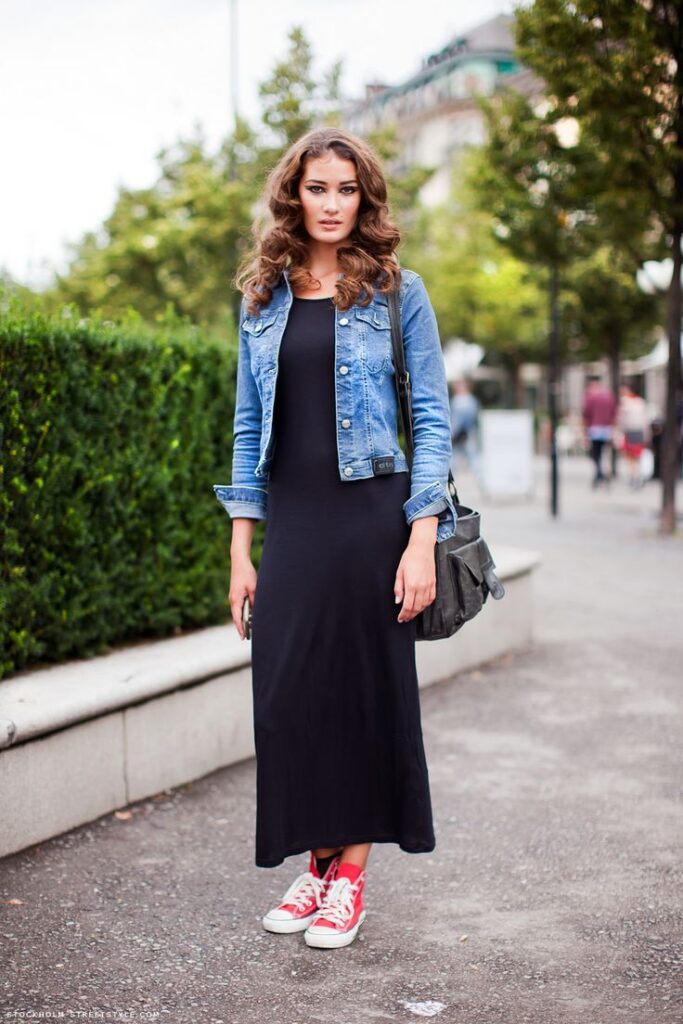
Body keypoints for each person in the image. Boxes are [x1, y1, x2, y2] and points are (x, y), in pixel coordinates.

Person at [212, 127, 457, 950]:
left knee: (361, 698)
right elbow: (247, 428)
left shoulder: (397, 292)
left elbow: (431, 421)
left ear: (364, 198)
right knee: (290, 700)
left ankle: (345, 878)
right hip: (295, 521)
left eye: (345, 189)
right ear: (294, 194)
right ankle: (316, 866)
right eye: (317, 188)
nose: (330, 204)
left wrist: (419, 538)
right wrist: (241, 550)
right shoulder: (261, 298)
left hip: (370, 518)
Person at [581, 375, 617, 488]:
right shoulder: (608, 395)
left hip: (595, 428)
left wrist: (585, 430)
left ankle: (599, 474)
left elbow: (586, 413)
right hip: (607, 428)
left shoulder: (590, 396)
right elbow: (614, 411)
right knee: (604, 452)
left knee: (595, 453)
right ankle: (602, 473)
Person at [449, 379, 484, 489]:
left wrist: (452, 435)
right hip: (470, 433)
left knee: (452, 460)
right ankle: (482, 483)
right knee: (474, 460)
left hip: (460, 435)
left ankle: (450, 485)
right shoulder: (473, 401)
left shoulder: (458, 401)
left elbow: (456, 421)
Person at [616, 383, 651, 489]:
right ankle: (637, 475)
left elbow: (621, 420)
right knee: (635, 456)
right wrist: (647, 434)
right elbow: (645, 421)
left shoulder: (625, 403)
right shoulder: (641, 402)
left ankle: (634, 476)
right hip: (638, 432)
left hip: (630, 431)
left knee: (631, 457)